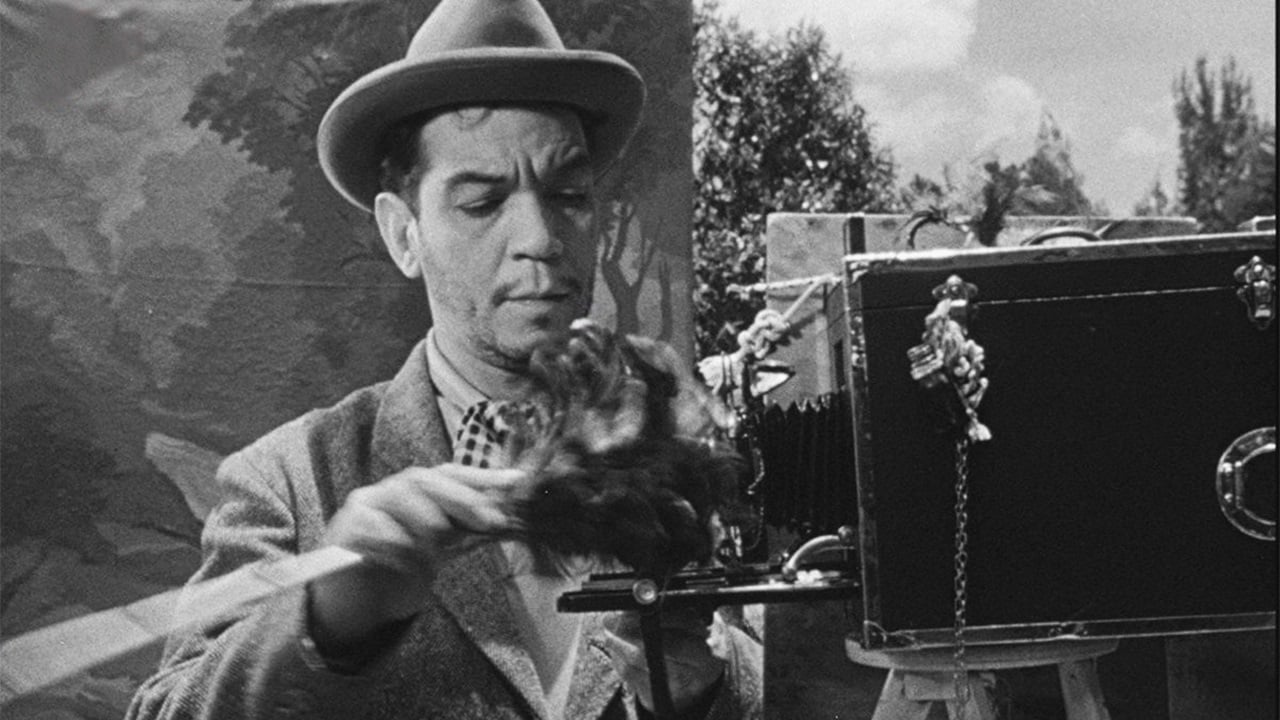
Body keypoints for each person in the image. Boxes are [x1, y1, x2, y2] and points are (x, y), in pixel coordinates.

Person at [125, 0, 762, 718]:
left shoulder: (673, 445)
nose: (541, 238)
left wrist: (706, 690)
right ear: (403, 234)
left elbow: (771, 676)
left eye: (569, 194)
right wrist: (329, 624)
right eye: (483, 203)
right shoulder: (289, 484)